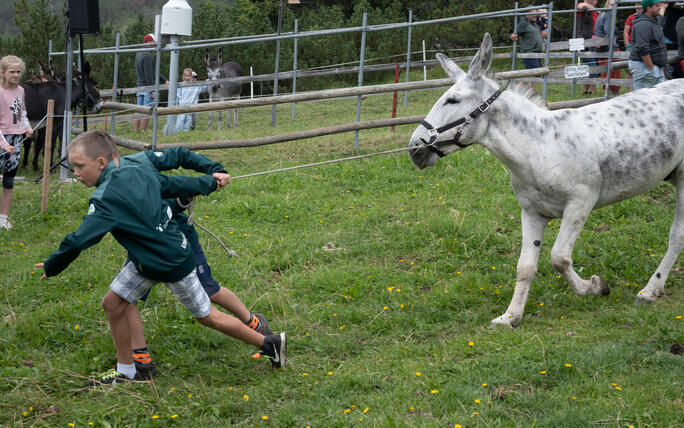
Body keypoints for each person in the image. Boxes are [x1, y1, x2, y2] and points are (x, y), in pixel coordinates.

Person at [35, 131, 286, 386]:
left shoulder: (106, 199)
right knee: (113, 304)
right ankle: (127, 369)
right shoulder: (134, 173)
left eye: (79, 166)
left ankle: (269, 343)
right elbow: (172, 185)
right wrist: (208, 183)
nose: (75, 173)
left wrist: (52, 265)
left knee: (207, 316)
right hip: (146, 262)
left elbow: (78, 240)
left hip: (170, 262)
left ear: (101, 163)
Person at [116, 144, 273, 377]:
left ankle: (254, 324)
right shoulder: (109, 185)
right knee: (124, 298)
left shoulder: (139, 161)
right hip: (145, 245)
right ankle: (141, 361)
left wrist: (214, 169)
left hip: (177, 242)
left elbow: (180, 155)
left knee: (209, 290)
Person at [0, 55, 33, 230]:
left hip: (15, 140)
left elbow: (22, 112)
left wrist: (26, 127)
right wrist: (4, 144)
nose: (16, 75)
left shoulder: (21, 90)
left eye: (19, 72)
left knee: (9, 180)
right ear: (3, 73)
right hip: (2, 140)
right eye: (12, 71)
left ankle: (3, 218)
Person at [628, 0, 667, 90]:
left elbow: (661, 16)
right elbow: (642, 48)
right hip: (644, 66)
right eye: (657, 6)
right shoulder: (642, 25)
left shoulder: (653, 21)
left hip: (653, 66)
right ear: (648, 8)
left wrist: (665, 6)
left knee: (657, 97)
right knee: (643, 98)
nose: (659, 8)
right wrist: (651, 68)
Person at [134, 34, 168, 133]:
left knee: (138, 109)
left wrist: (164, 80)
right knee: (147, 109)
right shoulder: (148, 55)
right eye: (153, 42)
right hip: (147, 86)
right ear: (149, 42)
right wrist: (153, 89)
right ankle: (143, 132)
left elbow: (152, 71)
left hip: (139, 85)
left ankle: (136, 132)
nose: (155, 45)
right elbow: (149, 74)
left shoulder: (139, 53)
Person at [593, 0, 622, 96]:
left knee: (605, 72)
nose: (614, 6)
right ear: (607, 4)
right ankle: (614, 96)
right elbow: (608, 33)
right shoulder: (609, 14)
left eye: (616, 4)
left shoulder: (601, 14)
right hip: (609, 48)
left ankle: (608, 94)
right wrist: (611, 49)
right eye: (611, 4)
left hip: (600, 48)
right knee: (615, 72)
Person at [576, 0, 600, 94]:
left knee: (595, 67)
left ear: (596, 1)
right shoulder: (582, 8)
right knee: (592, 67)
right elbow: (581, 6)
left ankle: (586, 91)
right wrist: (596, 10)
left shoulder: (598, 11)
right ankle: (590, 91)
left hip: (596, 43)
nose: (590, 0)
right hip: (584, 43)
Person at [175, 68, 207, 132]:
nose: (187, 78)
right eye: (186, 76)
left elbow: (203, 87)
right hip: (182, 107)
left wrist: (208, 81)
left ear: (191, 77)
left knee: (188, 121)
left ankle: (185, 133)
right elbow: (177, 96)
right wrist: (177, 104)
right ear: (183, 76)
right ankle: (177, 132)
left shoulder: (195, 86)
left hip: (191, 107)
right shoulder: (181, 85)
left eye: (189, 76)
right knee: (180, 121)